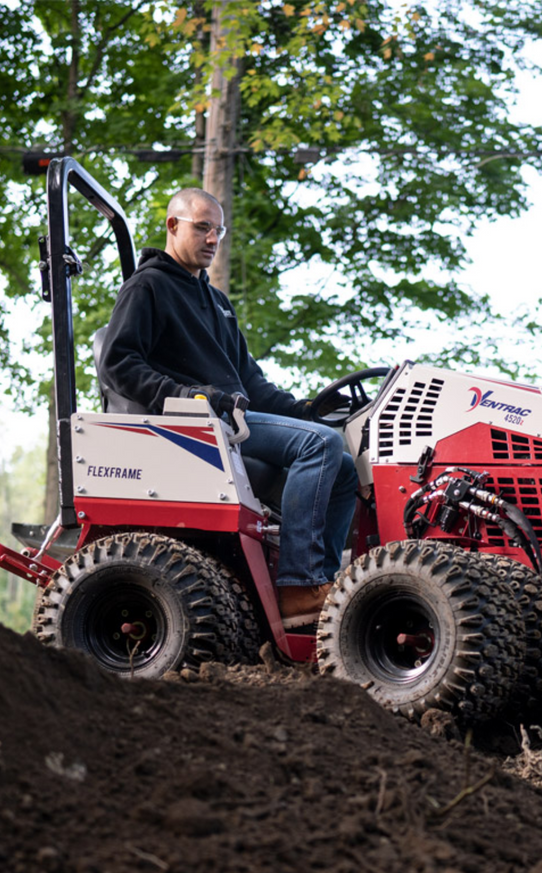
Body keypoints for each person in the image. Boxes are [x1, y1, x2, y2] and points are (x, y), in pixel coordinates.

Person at [97, 186, 359, 628]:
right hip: (196, 425)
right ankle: (297, 586)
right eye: (203, 228)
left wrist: (307, 410)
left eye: (218, 230)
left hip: (233, 419)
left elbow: (250, 382)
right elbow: (118, 363)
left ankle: (319, 583)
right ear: (172, 225)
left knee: (345, 464)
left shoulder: (217, 302)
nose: (213, 240)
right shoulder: (148, 287)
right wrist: (188, 396)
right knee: (320, 447)